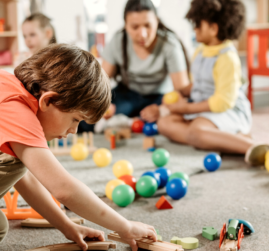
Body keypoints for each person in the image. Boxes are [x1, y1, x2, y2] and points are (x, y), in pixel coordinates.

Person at [0, 44, 156, 250]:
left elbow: (24, 177)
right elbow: (64, 189)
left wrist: (66, 225)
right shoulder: (18, 112)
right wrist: (124, 226)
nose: (74, 130)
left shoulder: (8, 86)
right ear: (48, 100)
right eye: (75, 119)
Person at [157, 0, 269, 165]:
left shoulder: (227, 58)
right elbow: (199, 85)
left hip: (228, 111)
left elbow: (222, 102)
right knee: (164, 123)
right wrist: (181, 93)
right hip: (203, 109)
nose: (194, 28)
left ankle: (251, 146)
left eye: (198, 24)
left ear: (213, 29)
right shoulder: (200, 51)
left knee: (196, 129)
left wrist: (186, 108)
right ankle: (221, 139)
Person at [101, 0, 190, 123]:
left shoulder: (169, 44)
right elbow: (100, 82)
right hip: (128, 94)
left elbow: (182, 91)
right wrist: (103, 104)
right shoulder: (118, 40)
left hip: (159, 97)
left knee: (182, 112)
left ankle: (140, 118)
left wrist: (161, 110)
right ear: (125, 25)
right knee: (89, 118)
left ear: (156, 22)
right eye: (135, 27)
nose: (142, 34)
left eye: (147, 26)